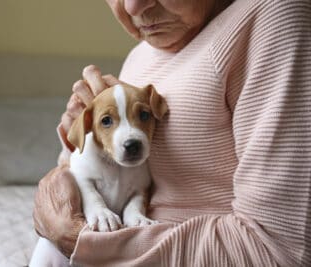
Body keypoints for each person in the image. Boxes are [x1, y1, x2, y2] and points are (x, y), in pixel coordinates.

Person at [33, 0, 311, 266]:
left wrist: (83, 241)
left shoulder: (271, 18)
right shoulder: (140, 54)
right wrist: (79, 138)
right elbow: (122, 179)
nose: (131, 6)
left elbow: (280, 252)